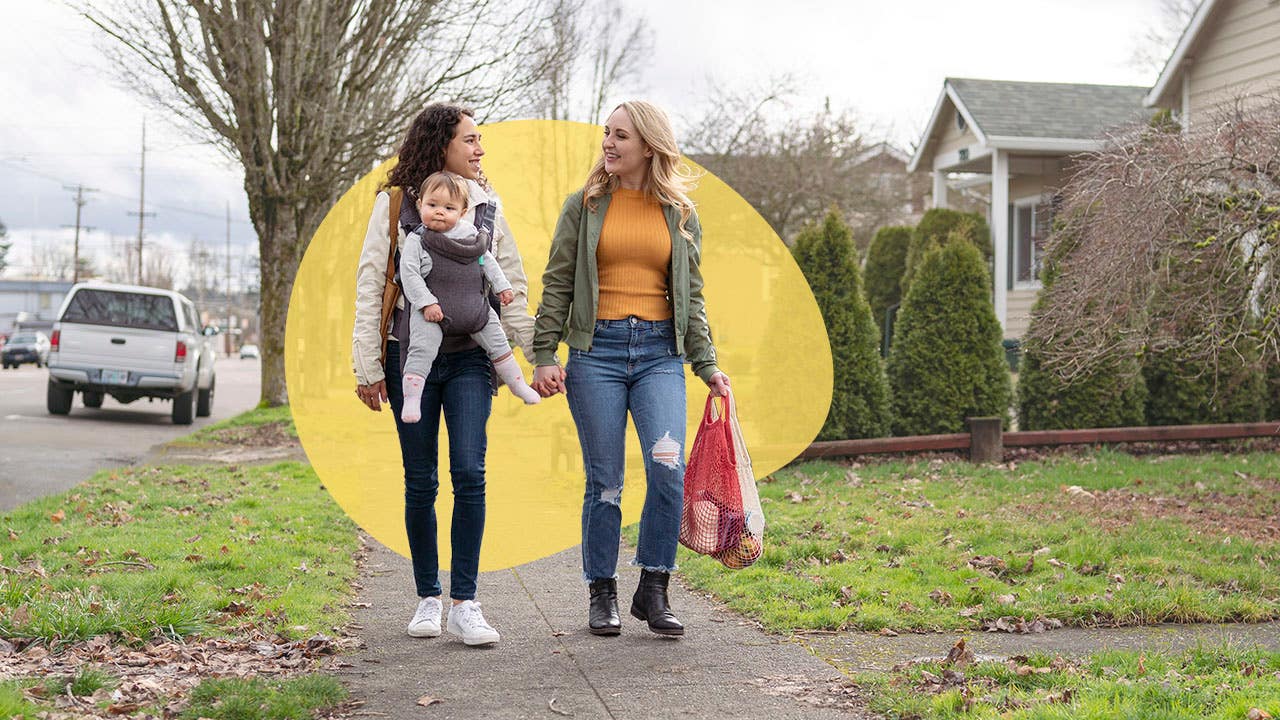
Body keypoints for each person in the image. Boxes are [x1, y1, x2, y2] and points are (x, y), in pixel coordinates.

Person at [531, 100, 731, 637]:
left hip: (660, 354)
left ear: (648, 145)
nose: (609, 144)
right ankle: (602, 591)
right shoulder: (585, 205)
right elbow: (557, 283)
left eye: (621, 135)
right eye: (607, 133)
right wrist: (545, 352)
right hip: (597, 353)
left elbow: (694, 295)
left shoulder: (681, 215)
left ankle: (654, 585)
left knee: (668, 471)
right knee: (606, 482)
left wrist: (706, 362)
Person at [352, 103, 535, 646]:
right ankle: (427, 597)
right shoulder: (393, 207)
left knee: (470, 473)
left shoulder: (486, 207)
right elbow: (370, 285)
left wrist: (538, 353)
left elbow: (512, 287)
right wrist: (366, 367)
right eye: (470, 140)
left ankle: (466, 602)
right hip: (409, 356)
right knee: (420, 479)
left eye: (480, 141)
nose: (480, 150)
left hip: (471, 358)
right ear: (442, 145)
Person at [399, 171, 540, 423]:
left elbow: (488, 263)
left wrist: (503, 287)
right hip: (434, 314)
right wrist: (426, 302)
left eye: (449, 207)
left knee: (500, 344)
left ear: (463, 212)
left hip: (475, 312)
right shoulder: (417, 240)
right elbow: (409, 276)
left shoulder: (473, 238)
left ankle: (518, 385)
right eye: (432, 205)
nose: (439, 212)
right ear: (420, 205)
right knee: (421, 349)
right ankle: (412, 399)